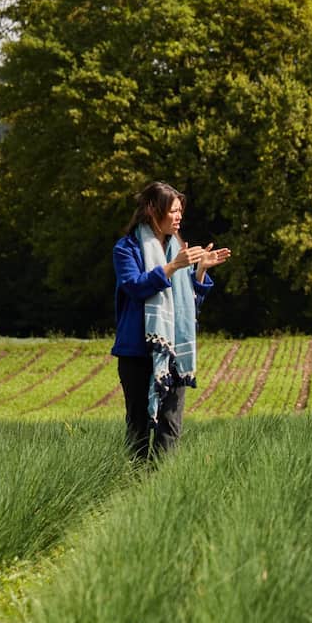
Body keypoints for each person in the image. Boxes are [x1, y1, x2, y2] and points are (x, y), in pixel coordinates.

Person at [111, 181, 231, 460]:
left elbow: (189, 307)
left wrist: (200, 272)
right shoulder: (127, 248)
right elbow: (136, 287)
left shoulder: (176, 248)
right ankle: (135, 488)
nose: (179, 217)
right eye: (173, 211)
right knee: (138, 428)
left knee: (170, 430)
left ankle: (161, 495)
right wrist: (175, 265)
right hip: (137, 353)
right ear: (153, 211)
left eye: (180, 211)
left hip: (173, 351)